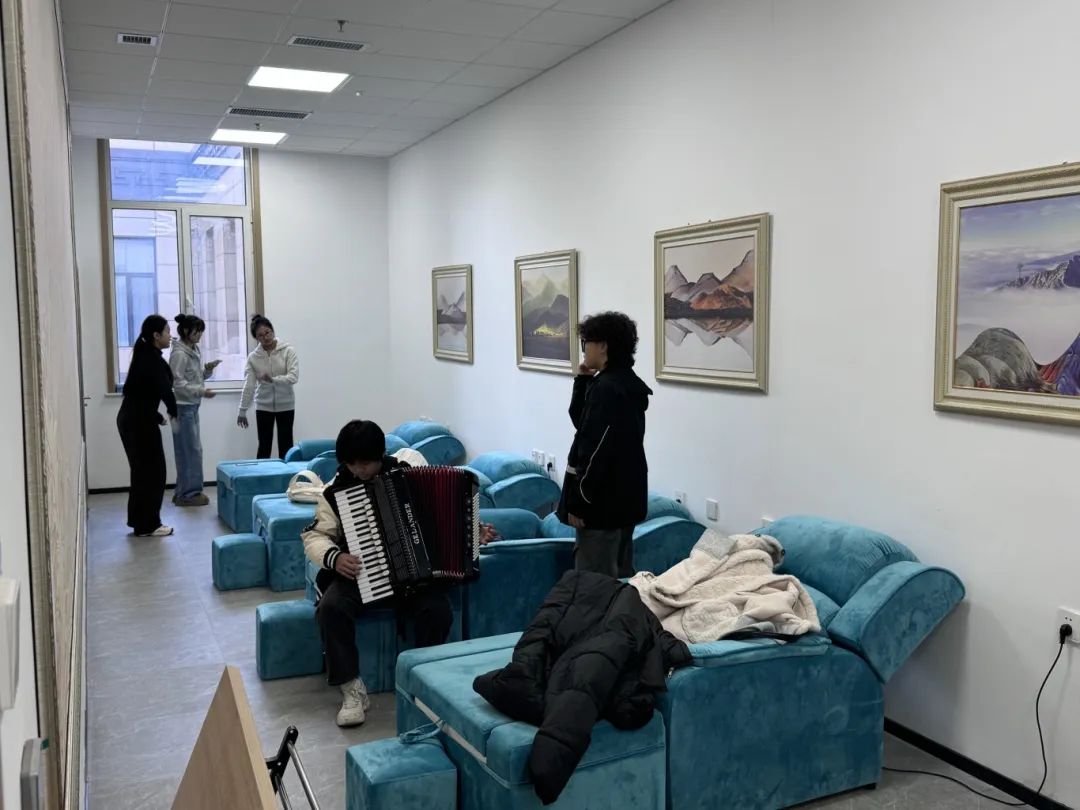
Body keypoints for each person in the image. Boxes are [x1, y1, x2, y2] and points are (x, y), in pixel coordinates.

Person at [301, 420, 453, 727]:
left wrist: (473, 531)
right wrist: (335, 557)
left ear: (381, 456)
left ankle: (422, 682)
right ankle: (352, 689)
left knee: (438, 610)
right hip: (361, 571)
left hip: (412, 574)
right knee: (330, 608)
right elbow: (315, 536)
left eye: (366, 463)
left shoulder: (409, 476)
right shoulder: (334, 491)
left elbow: (442, 515)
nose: (359, 471)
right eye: (351, 464)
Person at [557, 311, 652, 578]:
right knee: (619, 579)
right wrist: (583, 380)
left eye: (586, 342)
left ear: (602, 346)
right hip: (624, 500)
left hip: (600, 506)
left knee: (593, 586)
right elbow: (583, 422)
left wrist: (578, 502)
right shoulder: (626, 383)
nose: (584, 349)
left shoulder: (608, 390)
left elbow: (594, 451)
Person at [116, 314, 177, 537]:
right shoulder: (151, 359)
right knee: (153, 473)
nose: (170, 335)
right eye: (167, 331)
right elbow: (165, 391)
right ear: (156, 335)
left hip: (135, 419)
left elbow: (142, 394)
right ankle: (148, 524)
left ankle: (140, 523)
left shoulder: (147, 356)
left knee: (142, 472)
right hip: (138, 424)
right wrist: (174, 412)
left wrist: (156, 416)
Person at [169, 313, 222, 506]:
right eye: (197, 331)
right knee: (190, 451)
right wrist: (201, 392)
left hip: (191, 407)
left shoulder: (192, 350)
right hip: (182, 409)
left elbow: (194, 377)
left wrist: (207, 370)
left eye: (201, 331)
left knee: (189, 451)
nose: (200, 335)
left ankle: (183, 491)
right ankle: (189, 494)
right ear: (185, 331)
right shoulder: (179, 354)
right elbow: (178, 383)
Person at [237, 314, 299, 459]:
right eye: (260, 335)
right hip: (263, 406)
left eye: (267, 332)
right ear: (256, 338)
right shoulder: (253, 357)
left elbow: (293, 377)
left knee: (286, 446)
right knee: (264, 446)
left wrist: (273, 380)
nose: (266, 337)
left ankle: (287, 473)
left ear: (272, 330)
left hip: (286, 405)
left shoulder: (288, 351)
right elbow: (249, 385)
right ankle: (261, 474)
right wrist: (242, 410)